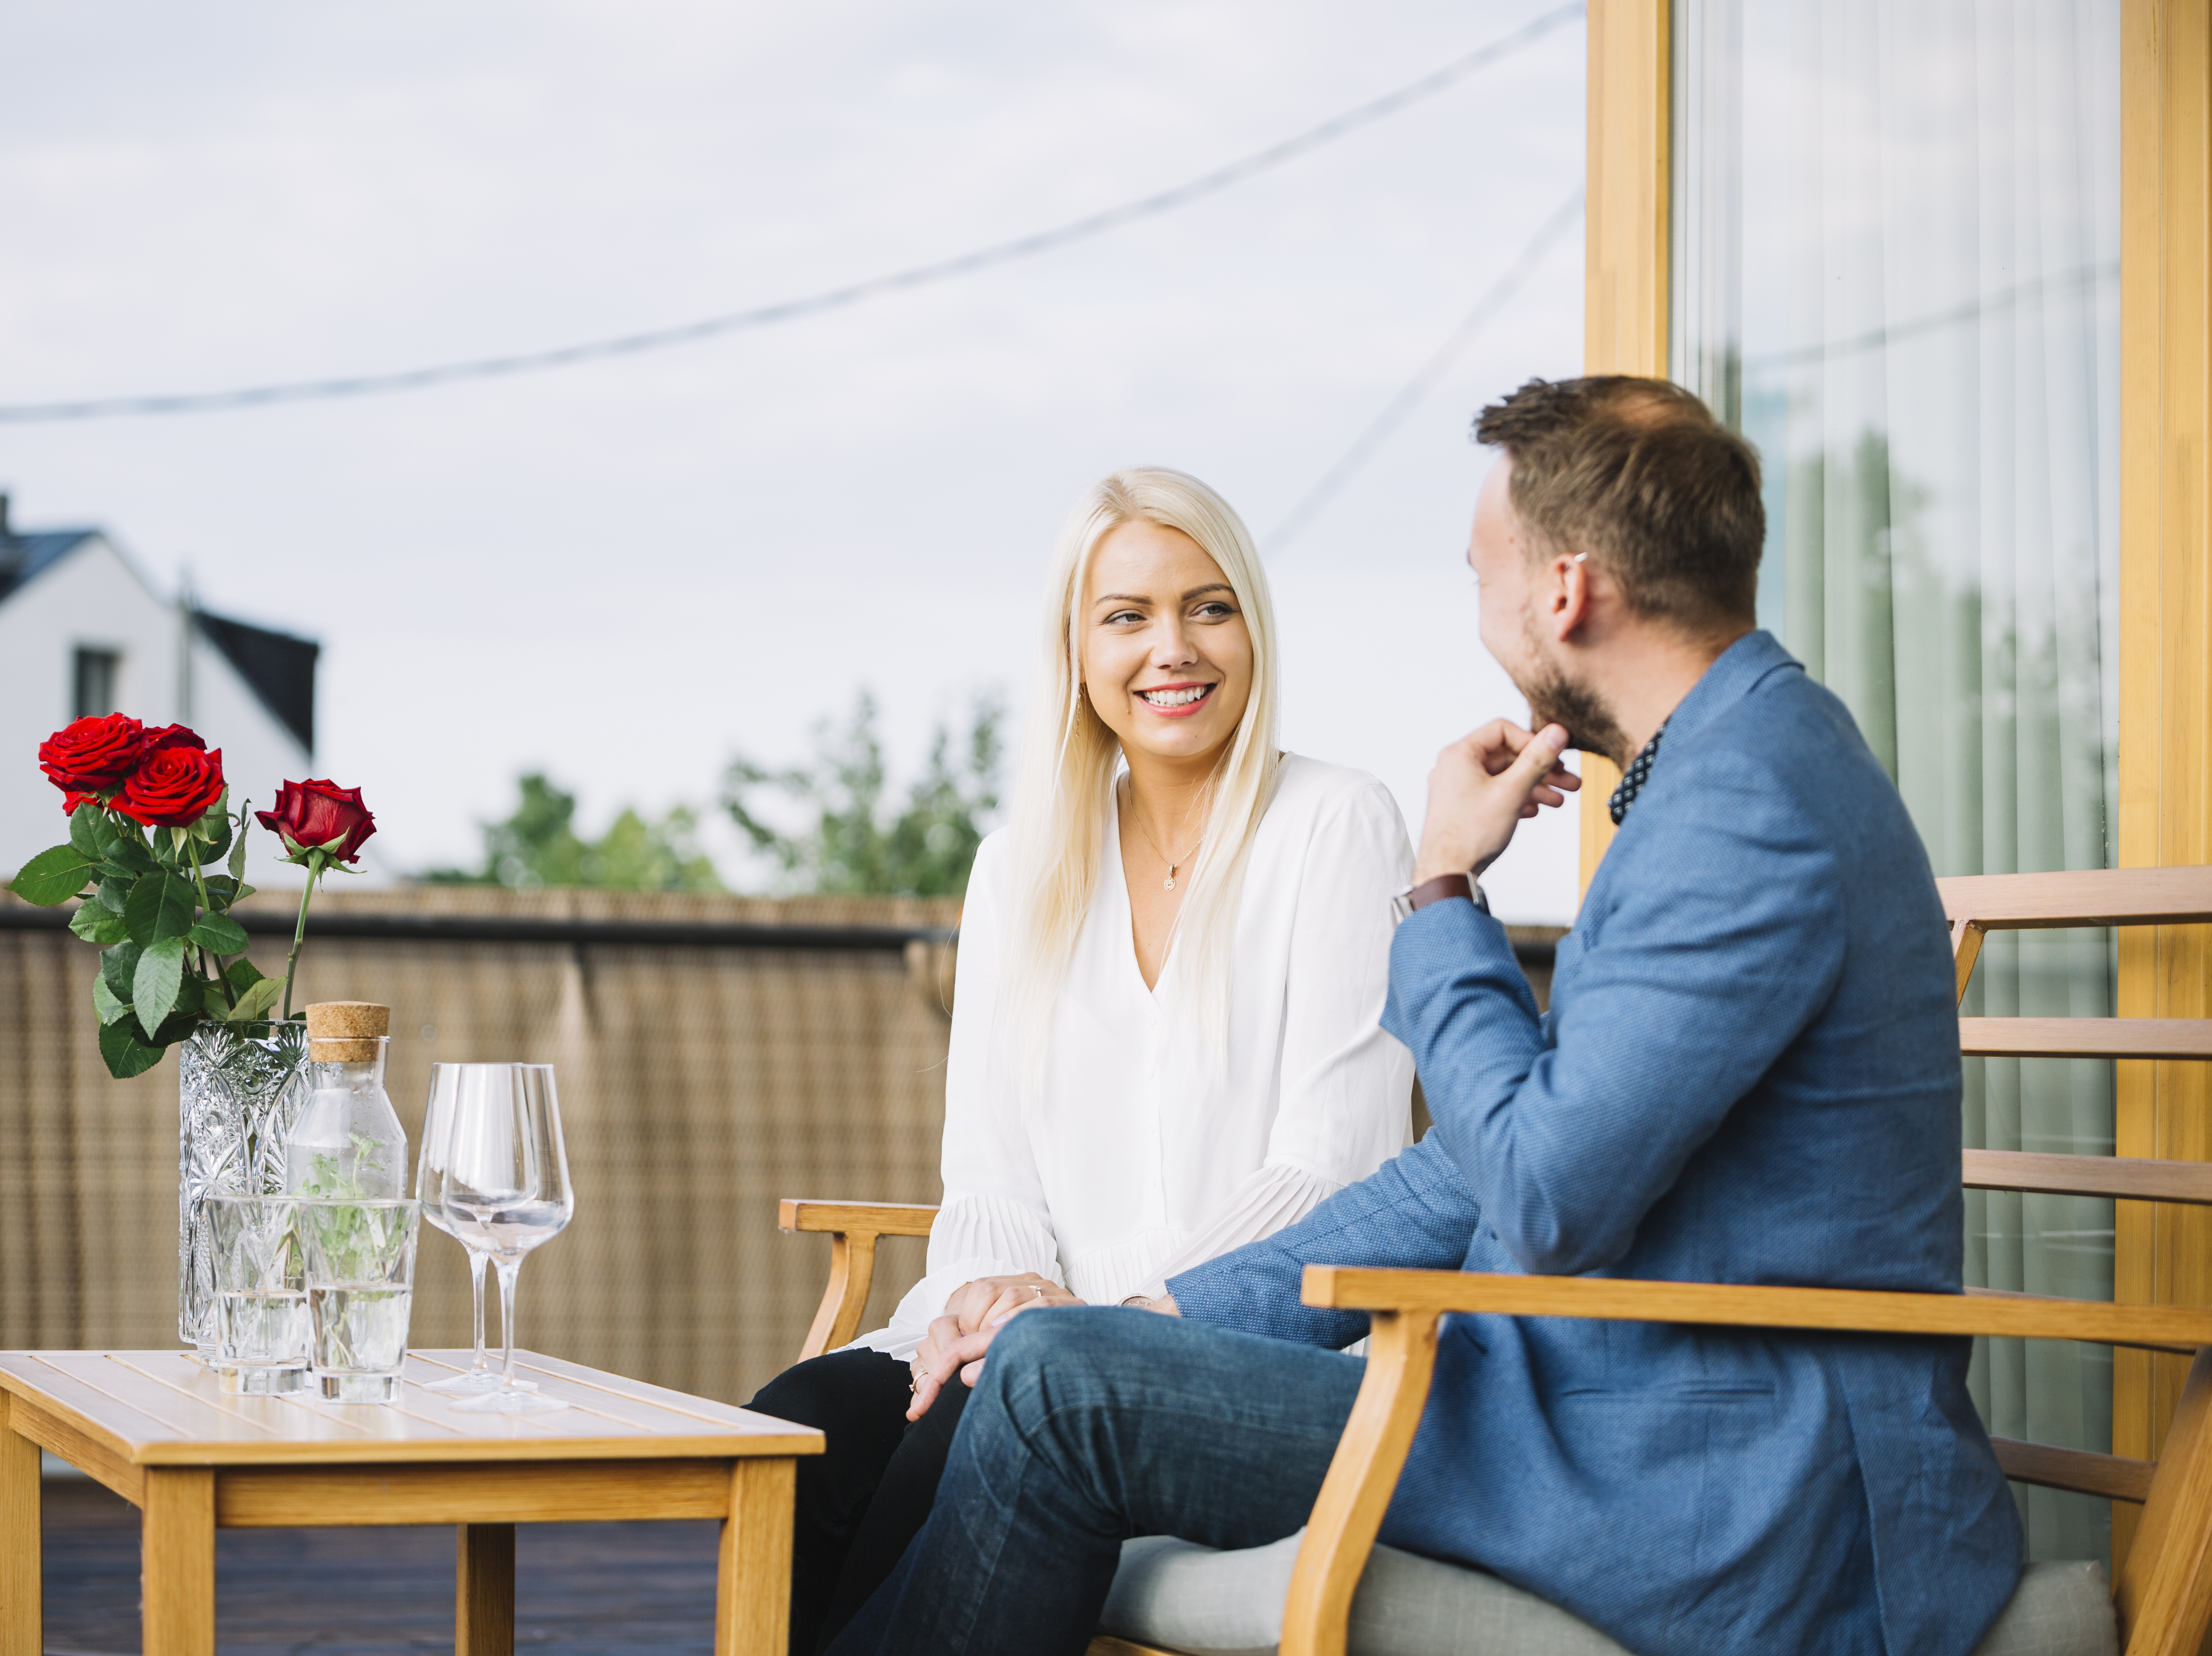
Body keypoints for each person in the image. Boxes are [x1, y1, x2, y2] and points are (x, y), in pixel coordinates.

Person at [825, 377, 2024, 1656]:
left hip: (1709, 1472)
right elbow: (1469, 1169)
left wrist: (1442, 893)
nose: (1479, 612)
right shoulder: (1725, 772)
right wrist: (1165, 1321)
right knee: (1052, 1367)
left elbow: (1545, 1193)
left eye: (1478, 573)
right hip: (1574, 1409)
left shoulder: (1750, 805)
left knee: (1060, 1391)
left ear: (1563, 592)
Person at [747, 466, 1420, 1653]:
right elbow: (993, 1175)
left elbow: (1334, 1173)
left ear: (1254, 626)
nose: (1175, 648)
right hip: (1031, 1337)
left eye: (1210, 607)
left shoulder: (1339, 826)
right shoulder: (1021, 866)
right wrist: (992, 1305)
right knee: (802, 1424)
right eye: (1129, 616)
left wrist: (1072, 1324)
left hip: (1237, 1355)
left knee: (990, 1411)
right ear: (1075, 646)